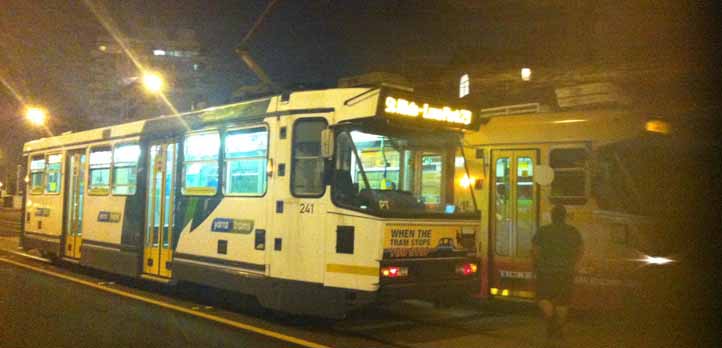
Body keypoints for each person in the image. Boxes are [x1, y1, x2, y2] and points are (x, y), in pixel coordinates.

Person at [531, 204, 584, 341]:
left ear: (552, 216)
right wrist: (575, 264)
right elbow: (580, 250)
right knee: (563, 302)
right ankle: (559, 329)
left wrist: (537, 265)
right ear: (564, 216)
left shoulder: (543, 231)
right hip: (566, 272)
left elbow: (535, 250)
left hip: (546, 272)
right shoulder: (573, 231)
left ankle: (551, 321)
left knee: (543, 299)